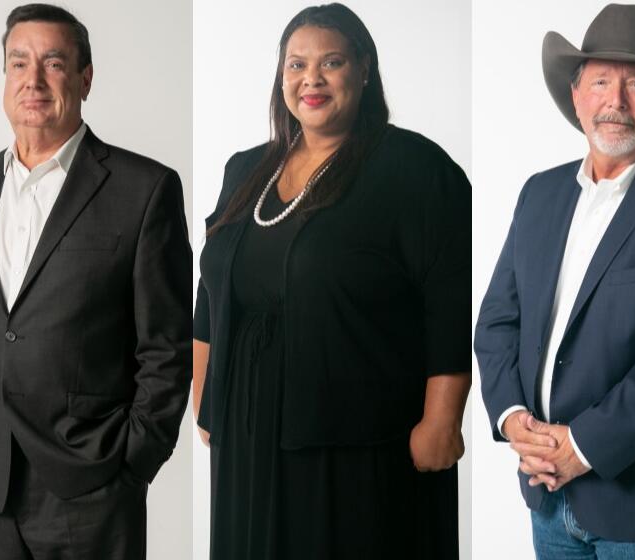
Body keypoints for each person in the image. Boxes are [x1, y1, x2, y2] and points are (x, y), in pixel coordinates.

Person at [193, 3, 471, 559]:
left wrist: (443, 420)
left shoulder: (415, 169)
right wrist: (205, 398)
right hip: (248, 431)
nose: (311, 79)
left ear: (364, 70)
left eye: (332, 62)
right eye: (296, 65)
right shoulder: (245, 169)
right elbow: (210, 293)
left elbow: (450, 299)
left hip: (359, 434)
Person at [0, 4, 192, 559]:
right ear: (4, 78)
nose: (33, 80)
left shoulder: (144, 189)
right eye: (18, 63)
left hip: (93, 484)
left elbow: (167, 349)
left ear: (86, 78)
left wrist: (130, 464)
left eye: (54, 63)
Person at [474, 4, 635, 559]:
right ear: (575, 97)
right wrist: (514, 420)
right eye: (599, 82)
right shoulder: (538, 195)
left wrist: (581, 446)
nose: (614, 101)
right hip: (545, 492)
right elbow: (499, 320)